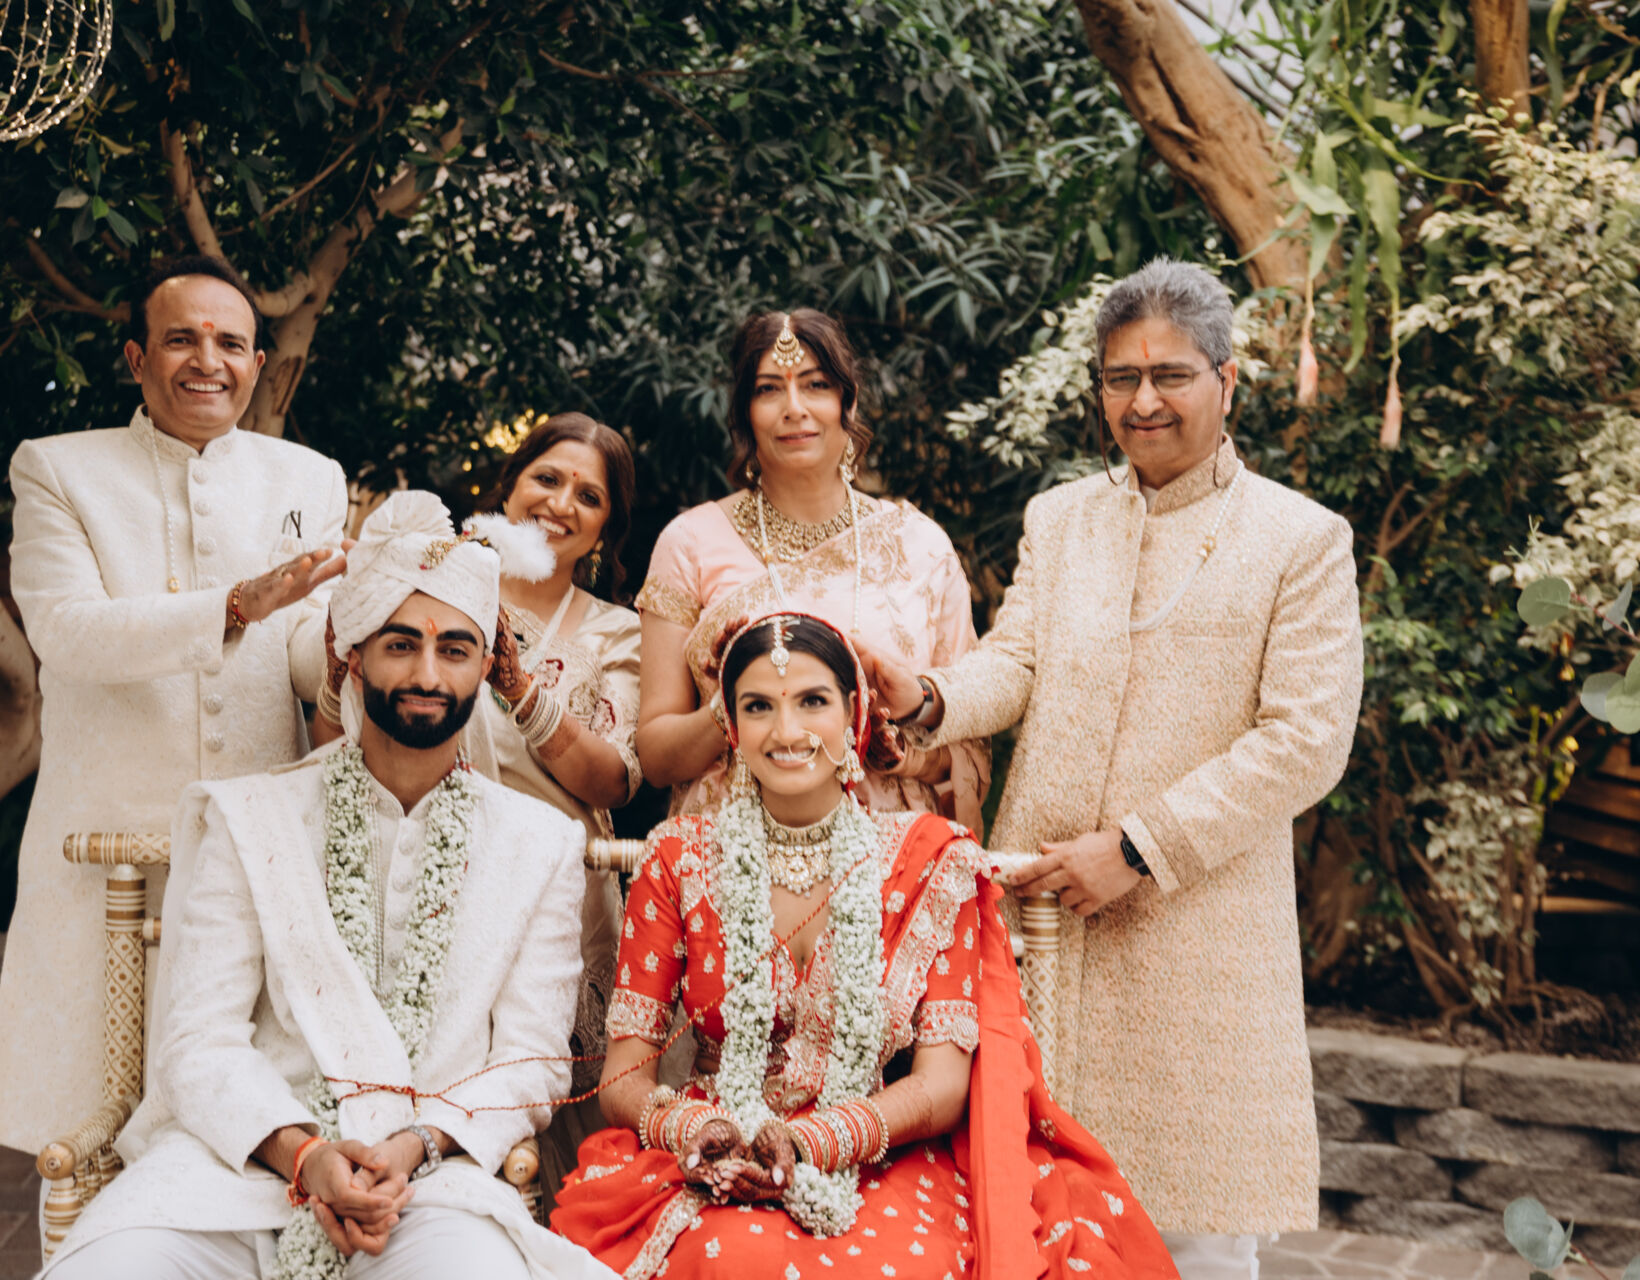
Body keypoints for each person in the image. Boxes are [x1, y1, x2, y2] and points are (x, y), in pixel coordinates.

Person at [870, 258, 1364, 1280]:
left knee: (1195, 1235)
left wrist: (1137, 848)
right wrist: (926, 698)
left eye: (1170, 375)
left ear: (1227, 380)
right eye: (1120, 377)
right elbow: (1017, 660)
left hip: (1199, 931)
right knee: (1025, 1207)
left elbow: (1306, 738)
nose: (1143, 401)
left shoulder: (1300, 539)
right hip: (1041, 913)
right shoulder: (1062, 519)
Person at [41, 490, 612, 1280]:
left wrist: (412, 1146)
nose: (427, 673)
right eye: (400, 644)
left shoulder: (539, 844)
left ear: (486, 667)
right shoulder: (253, 818)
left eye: (454, 649)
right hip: (236, 1169)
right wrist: (304, 1155)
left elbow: (531, 1061)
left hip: (430, 1185)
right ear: (353, 655)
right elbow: (198, 1040)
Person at [551, 612, 1178, 1280]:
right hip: (716, 1147)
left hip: (882, 1147)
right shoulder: (679, 858)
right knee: (728, 1257)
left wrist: (812, 1140)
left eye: (812, 702)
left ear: (853, 714)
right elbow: (624, 1077)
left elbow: (942, 1084)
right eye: (758, 706)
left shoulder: (928, 860)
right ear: (730, 725)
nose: (786, 731)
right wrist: (694, 1132)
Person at [0, 255, 350, 1163]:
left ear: (257, 364)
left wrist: (357, 652)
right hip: (102, 848)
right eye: (182, 339)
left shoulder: (310, 477)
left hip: (255, 848)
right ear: (138, 359)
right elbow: (66, 631)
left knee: (248, 1129)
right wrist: (235, 607)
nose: (207, 361)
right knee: (84, 1135)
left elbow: (305, 651)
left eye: (230, 343)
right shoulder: (59, 469)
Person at [312, 413, 643, 1202]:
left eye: (589, 496)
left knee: (555, 1115)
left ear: (605, 529)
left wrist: (517, 686)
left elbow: (613, 782)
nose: (561, 503)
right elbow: (341, 743)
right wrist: (338, 670)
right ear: (508, 486)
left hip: (557, 898)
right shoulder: (427, 589)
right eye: (547, 479)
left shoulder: (617, 631)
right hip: (415, 878)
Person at [633, 309, 990, 835]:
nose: (794, 408)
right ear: (745, 413)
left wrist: (900, 752)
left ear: (849, 402)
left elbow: (971, 747)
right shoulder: (689, 543)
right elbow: (657, 758)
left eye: (816, 385)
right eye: (769, 389)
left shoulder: (922, 547)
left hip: (894, 858)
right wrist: (729, 703)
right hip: (736, 857)